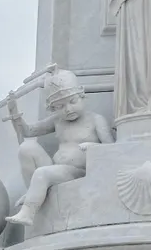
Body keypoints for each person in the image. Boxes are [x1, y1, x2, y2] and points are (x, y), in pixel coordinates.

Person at [6, 65, 112, 227]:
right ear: (53, 108)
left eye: (72, 102)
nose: (68, 109)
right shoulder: (58, 121)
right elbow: (28, 131)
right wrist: (14, 113)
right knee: (26, 148)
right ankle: (33, 192)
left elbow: (111, 149)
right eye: (60, 106)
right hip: (56, 169)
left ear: (82, 96)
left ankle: (28, 211)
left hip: (78, 172)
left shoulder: (95, 120)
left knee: (42, 174)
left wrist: (92, 146)